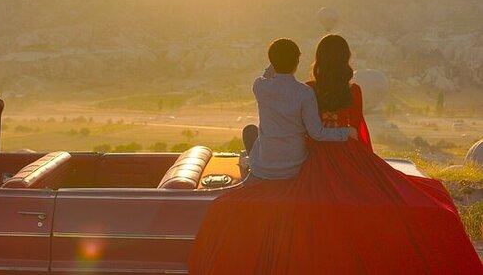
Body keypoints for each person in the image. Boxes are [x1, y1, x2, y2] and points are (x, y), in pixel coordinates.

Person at [189, 35, 482, 275]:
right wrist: (363, 159)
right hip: (348, 154)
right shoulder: (352, 91)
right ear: (346, 61)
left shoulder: (305, 89)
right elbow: (356, 129)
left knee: (253, 135)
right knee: (414, 193)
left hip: (311, 156)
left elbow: (307, 130)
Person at [245, 38, 357, 182]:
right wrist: (346, 132)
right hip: (294, 167)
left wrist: (274, 61)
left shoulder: (259, 87)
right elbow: (317, 133)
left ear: (272, 61)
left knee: (249, 131)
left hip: (263, 167)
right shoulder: (305, 92)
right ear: (297, 63)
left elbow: (266, 75)